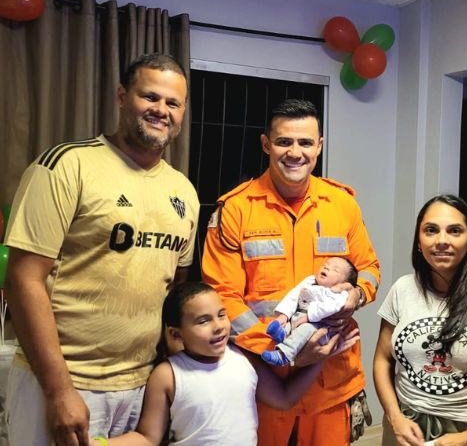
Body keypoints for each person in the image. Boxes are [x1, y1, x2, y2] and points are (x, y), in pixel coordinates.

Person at [3, 53, 200, 445]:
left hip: (139, 385)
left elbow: (173, 289)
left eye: (172, 103)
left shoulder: (185, 192)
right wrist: (60, 391)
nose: (161, 110)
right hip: (63, 382)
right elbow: (23, 279)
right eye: (150, 97)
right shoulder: (67, 165)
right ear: (122, 97)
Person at [201, 98, 381, 445]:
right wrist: (286, 347)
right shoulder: (236, 209)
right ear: (266, 144)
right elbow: (222, 297)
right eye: (284, 141)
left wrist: (356, 295)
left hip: (331, 379)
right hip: (265, 379)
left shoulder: (342, 203)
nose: (294, 152)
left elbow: (369, 269)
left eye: (305, 142)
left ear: (319, 146)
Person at [93, 282, 358, 446]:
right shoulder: (168, 374)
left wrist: (320, 358)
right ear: (176, 334)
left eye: (221, 315)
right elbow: (147, 437)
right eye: (203, 321)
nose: (218, 326)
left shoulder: (243, 358)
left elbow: (285, 398)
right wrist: (100, 444)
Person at [374, 194, 467, 446]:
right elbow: (382, 358)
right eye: (431, 230)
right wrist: (394, 417)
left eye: (455, 231)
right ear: (419, 242)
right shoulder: (402, 289)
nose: (441, 241)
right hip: (405, 426)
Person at [263, 256, 359, 367]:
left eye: (335, 269)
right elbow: (293, 295)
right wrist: (283, 316)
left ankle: (283, 355)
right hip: (300, 317)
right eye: (325, 265)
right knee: (290, 324)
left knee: (305, 329)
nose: (327, 268)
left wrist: (308, 317)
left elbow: (329, 307)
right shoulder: (310, 281)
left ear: (344, 283)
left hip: (320, 326)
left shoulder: (339, 294)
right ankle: (282, 333)